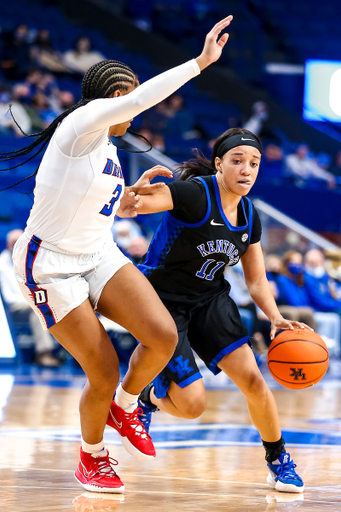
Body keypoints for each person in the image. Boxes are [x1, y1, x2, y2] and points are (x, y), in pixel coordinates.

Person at [1, 16, 234, 493]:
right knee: (102, 369)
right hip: (50, 265)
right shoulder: (81, 125)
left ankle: (127, 406)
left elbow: (89, 201)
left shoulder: (106, 148)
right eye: (127, 98)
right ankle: (92, 457)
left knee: (162, 334)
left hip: (96, 252)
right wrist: (200, 62)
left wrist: (125, 200)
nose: (136, 109)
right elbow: (138, 99)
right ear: (110, 99)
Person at [130, 127, 308, 493]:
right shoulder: (194, 194)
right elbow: (130, 207)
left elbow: (256, 280)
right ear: (218, 164)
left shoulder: (248, 214)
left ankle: (278, 459)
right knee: (192, 406)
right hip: (162, 302)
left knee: (255, 381)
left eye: (254, 163)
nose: (246, 169)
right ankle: (147, 397)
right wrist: (134, 191)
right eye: (237, 161)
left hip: (209, 300)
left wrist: (274, 317)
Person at [0, 229, 60, 366]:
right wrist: (34, 301)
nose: (16, 246)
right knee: (37, 310)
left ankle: (66, 350)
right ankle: (44, 353)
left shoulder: (29, 260)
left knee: (56, 305)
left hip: (31, 302)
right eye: (14, 242)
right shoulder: (1, 264)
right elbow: (9, 298)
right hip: (14, 308)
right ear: (8, 245)